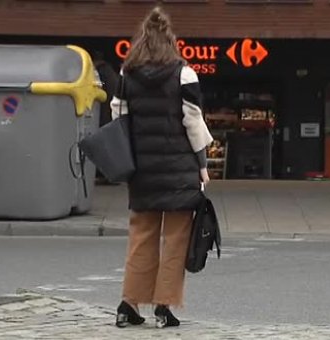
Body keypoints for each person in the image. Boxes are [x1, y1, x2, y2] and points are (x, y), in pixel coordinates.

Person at [110, 6, 213, 329]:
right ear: (171, 40)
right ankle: (164, 309)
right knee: (176, 238)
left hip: (141, 170)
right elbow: (193, 122)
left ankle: (128, 305)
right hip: (179, 169)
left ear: (141, 40)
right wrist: (202, 164)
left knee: (141, 235)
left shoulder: (128, 74)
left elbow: (118, 116)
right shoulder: (184, 73)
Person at [90, 50, 120, 185]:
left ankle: (106, 174)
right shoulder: (109, 71)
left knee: (104, 144)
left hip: (104, 112)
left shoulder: (101, 72)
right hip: (109, 112)